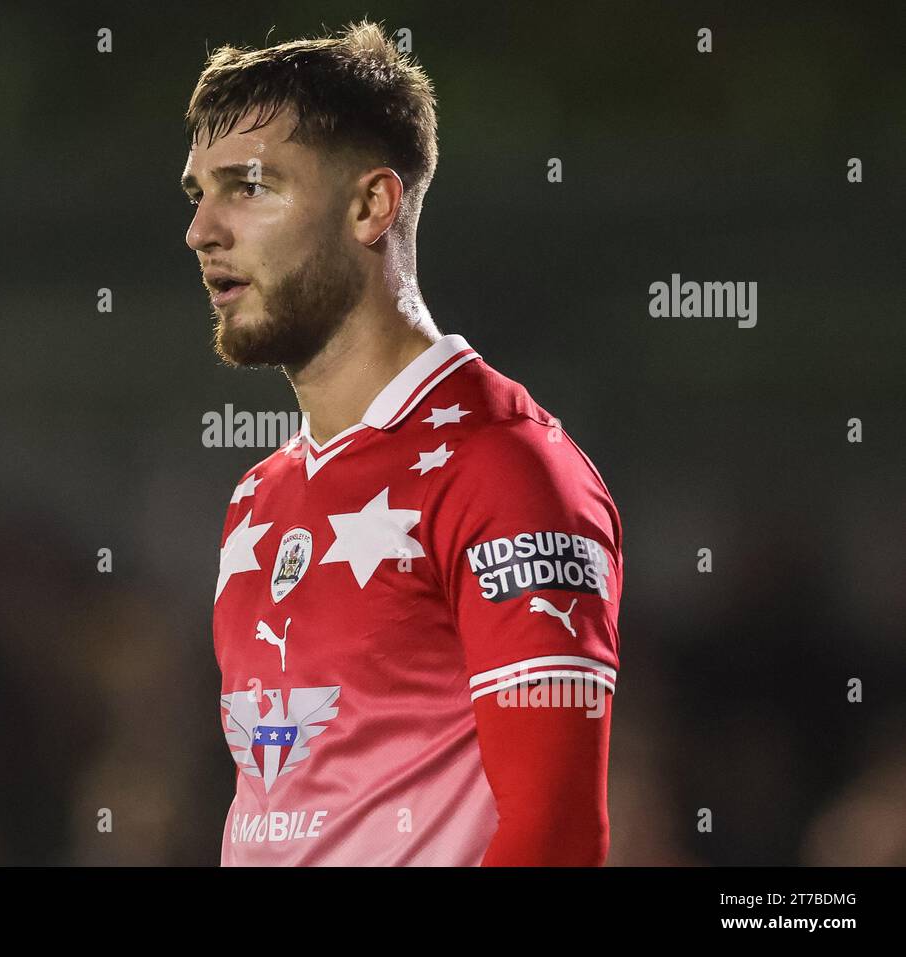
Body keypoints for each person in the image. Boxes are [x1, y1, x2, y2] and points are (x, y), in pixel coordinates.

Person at [182, 19, 623, 865]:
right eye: (196, 193)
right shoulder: (257, 498)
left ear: (370, 204)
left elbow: (555, 838)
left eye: (247, 187)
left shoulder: (506, 467)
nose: (202, 230)